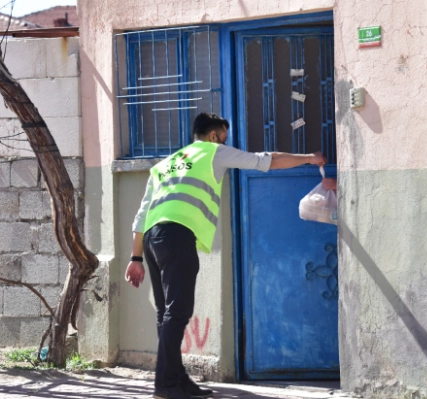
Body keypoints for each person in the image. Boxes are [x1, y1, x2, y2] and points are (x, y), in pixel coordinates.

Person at [124, 112, 327, 399]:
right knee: (177, 313)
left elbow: (141, 215)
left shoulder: (165, 165)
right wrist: (309, 157)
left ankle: (178, 380)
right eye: (224, 136)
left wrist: (135, 259)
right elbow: (265, 160)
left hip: (153, 240)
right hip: (177, 237)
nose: (225, 141)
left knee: (166, 314)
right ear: (214, 135)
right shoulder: (213, 152)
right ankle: (165, 385)